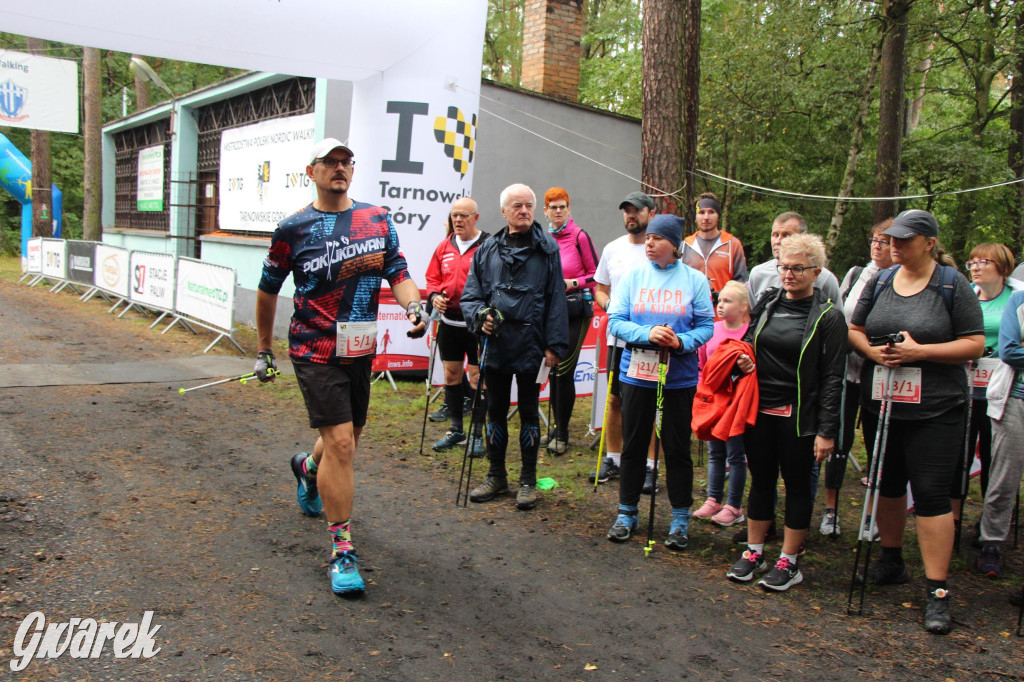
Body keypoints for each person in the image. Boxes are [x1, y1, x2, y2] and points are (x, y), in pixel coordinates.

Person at [255, 138, 427, 596]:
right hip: (313, 348)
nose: (339, 168)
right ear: (310, 171)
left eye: (346, 161)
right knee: (344, 445)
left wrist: (414, 308)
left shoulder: (377, 218)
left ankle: (308, 469)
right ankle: (342, 550)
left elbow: (399, 271)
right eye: (329, 162)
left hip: (359, 348)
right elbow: (268, 288)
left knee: (346, 439)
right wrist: (263, 349)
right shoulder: (293, 228)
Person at [848, 209, 983, 634]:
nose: (896, 246)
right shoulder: (881, 279)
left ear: (929, 242)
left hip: (938, 410)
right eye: (892, 240)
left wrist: (920, 352)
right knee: (885, 482)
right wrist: (873, 353)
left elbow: (974, 343)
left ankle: (937, 591)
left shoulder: (952, 284)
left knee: (929, 494)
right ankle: (891, 562)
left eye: (905, 240)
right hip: (884, 404)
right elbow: (854, 328)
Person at [725, 233, 845, 592]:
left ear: (817, 272)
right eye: (783, 267)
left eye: (798, 268)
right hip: (759, 411)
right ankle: (754, 551)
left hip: (799, 417)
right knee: (760, 481)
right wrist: (742, 360)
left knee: (796, 486)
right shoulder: (767, 302)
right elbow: (748, 341)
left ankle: (789, 561)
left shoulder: (829, 317)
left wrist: (826, 430)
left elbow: (833, 378)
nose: (788, 274)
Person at [605, 214, 714, 549]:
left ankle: (680, 518)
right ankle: (627, 512)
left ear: (674, 245)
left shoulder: (694, 280)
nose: (649, 243)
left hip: (678, 376)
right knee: (634, 443)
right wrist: (647, 333)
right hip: (637, 372)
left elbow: (706, 325)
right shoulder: (633, 277)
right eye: (648, 238)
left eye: (657, 238)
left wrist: (681, 342)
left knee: (677, 447)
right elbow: (616, 321)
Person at [461, 184, 570, 510]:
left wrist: (554, 347)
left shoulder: (548, 250)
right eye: (517, 206)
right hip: (496, 346)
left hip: (533, 347)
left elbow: (556, 301)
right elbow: (471, 295)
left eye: (528, 206)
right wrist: (481, 317)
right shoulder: (486, 250)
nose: (524, 211)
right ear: (504, 211)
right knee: (494, 410)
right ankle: (496, 476)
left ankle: (527, 480)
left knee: (527, 411)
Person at [819, 219, 894, 536]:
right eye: (874, 239)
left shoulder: (902, 281)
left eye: (885, 241)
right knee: (838, 441)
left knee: (880, 445)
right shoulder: (855, 274)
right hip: (846, 372)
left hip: (883, 375)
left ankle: (873, 515)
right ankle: (831, 511)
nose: (877, 246)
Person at [591, 191, 661, 494]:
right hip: (617, 338)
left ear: (650, 213)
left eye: (636, 211)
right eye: (626, 211)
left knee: (651, 404)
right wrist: (610, 307)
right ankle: (613, 458)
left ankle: (650, 465)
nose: (631, 216)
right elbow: (600, 288)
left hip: (650, 340)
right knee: (615, 400)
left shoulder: (659, 249)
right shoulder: (612, 249)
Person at [964, 244, 1022, 575]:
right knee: (966, 460)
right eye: (972, 261)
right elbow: (1013, 349)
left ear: (1002, 266)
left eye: (983, 261)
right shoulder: (968, 297)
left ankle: (989, 532)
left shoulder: (1015, 294)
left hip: (999, 390)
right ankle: (963, 527)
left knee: (994, 463)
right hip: (974, 388)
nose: (975, 266)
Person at [424, 198, 489, 455]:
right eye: (454, 216)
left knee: (477, 379)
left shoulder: (487, 245)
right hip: (449, 322)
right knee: (451, 374)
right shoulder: (444, 246)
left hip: (475, 324)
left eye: (463, 215)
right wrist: (433, 297)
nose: (458, 220)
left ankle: (476, 434)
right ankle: (456, 430)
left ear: (476, 217)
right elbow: (432, 278)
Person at [542, 187, 599, 454]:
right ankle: (555, 427)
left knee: (564, 369)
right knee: (553, 370)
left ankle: (562, 434)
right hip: (550, 311)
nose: (558, 211)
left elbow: (596, 274)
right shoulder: (542, 238)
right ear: (545, 211)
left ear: (569, 209)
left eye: (562, 206)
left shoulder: (579, 236)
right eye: (553, 207)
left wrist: (573, 282)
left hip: (576, 309)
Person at [693, 280, 750, 527]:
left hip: (737, 403)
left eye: (728, 301)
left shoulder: (751, 332)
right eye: (719, 301)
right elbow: (701, 367)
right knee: (714, 452)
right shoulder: (712, 331)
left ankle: (734, 506)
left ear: (744, 306)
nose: (720, 306)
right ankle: (713, 499)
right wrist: (701, 395)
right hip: (713, 402)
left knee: (736, 455)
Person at [978, 284, 1024, 589]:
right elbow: (1009, 349)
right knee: (1004, 477)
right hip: (1015, 401)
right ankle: (991, 544)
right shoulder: (1020, 299)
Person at [746, 211, 842, 305]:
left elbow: (836, 317)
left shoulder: (825, 279)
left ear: (803, 237)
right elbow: (754, 317)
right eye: (775, 235)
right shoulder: (758, 274)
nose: (778, 241)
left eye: (786, 235)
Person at [680, 192, 748, 295]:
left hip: (723, 308)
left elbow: (742, 283)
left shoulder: (732, 244)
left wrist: (721, 295)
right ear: (695, 218)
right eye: (701, 212)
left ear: (718, 216)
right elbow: (678, 280)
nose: (706, 217)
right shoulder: (686, 245)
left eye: (711, 212)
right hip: (693, 309)